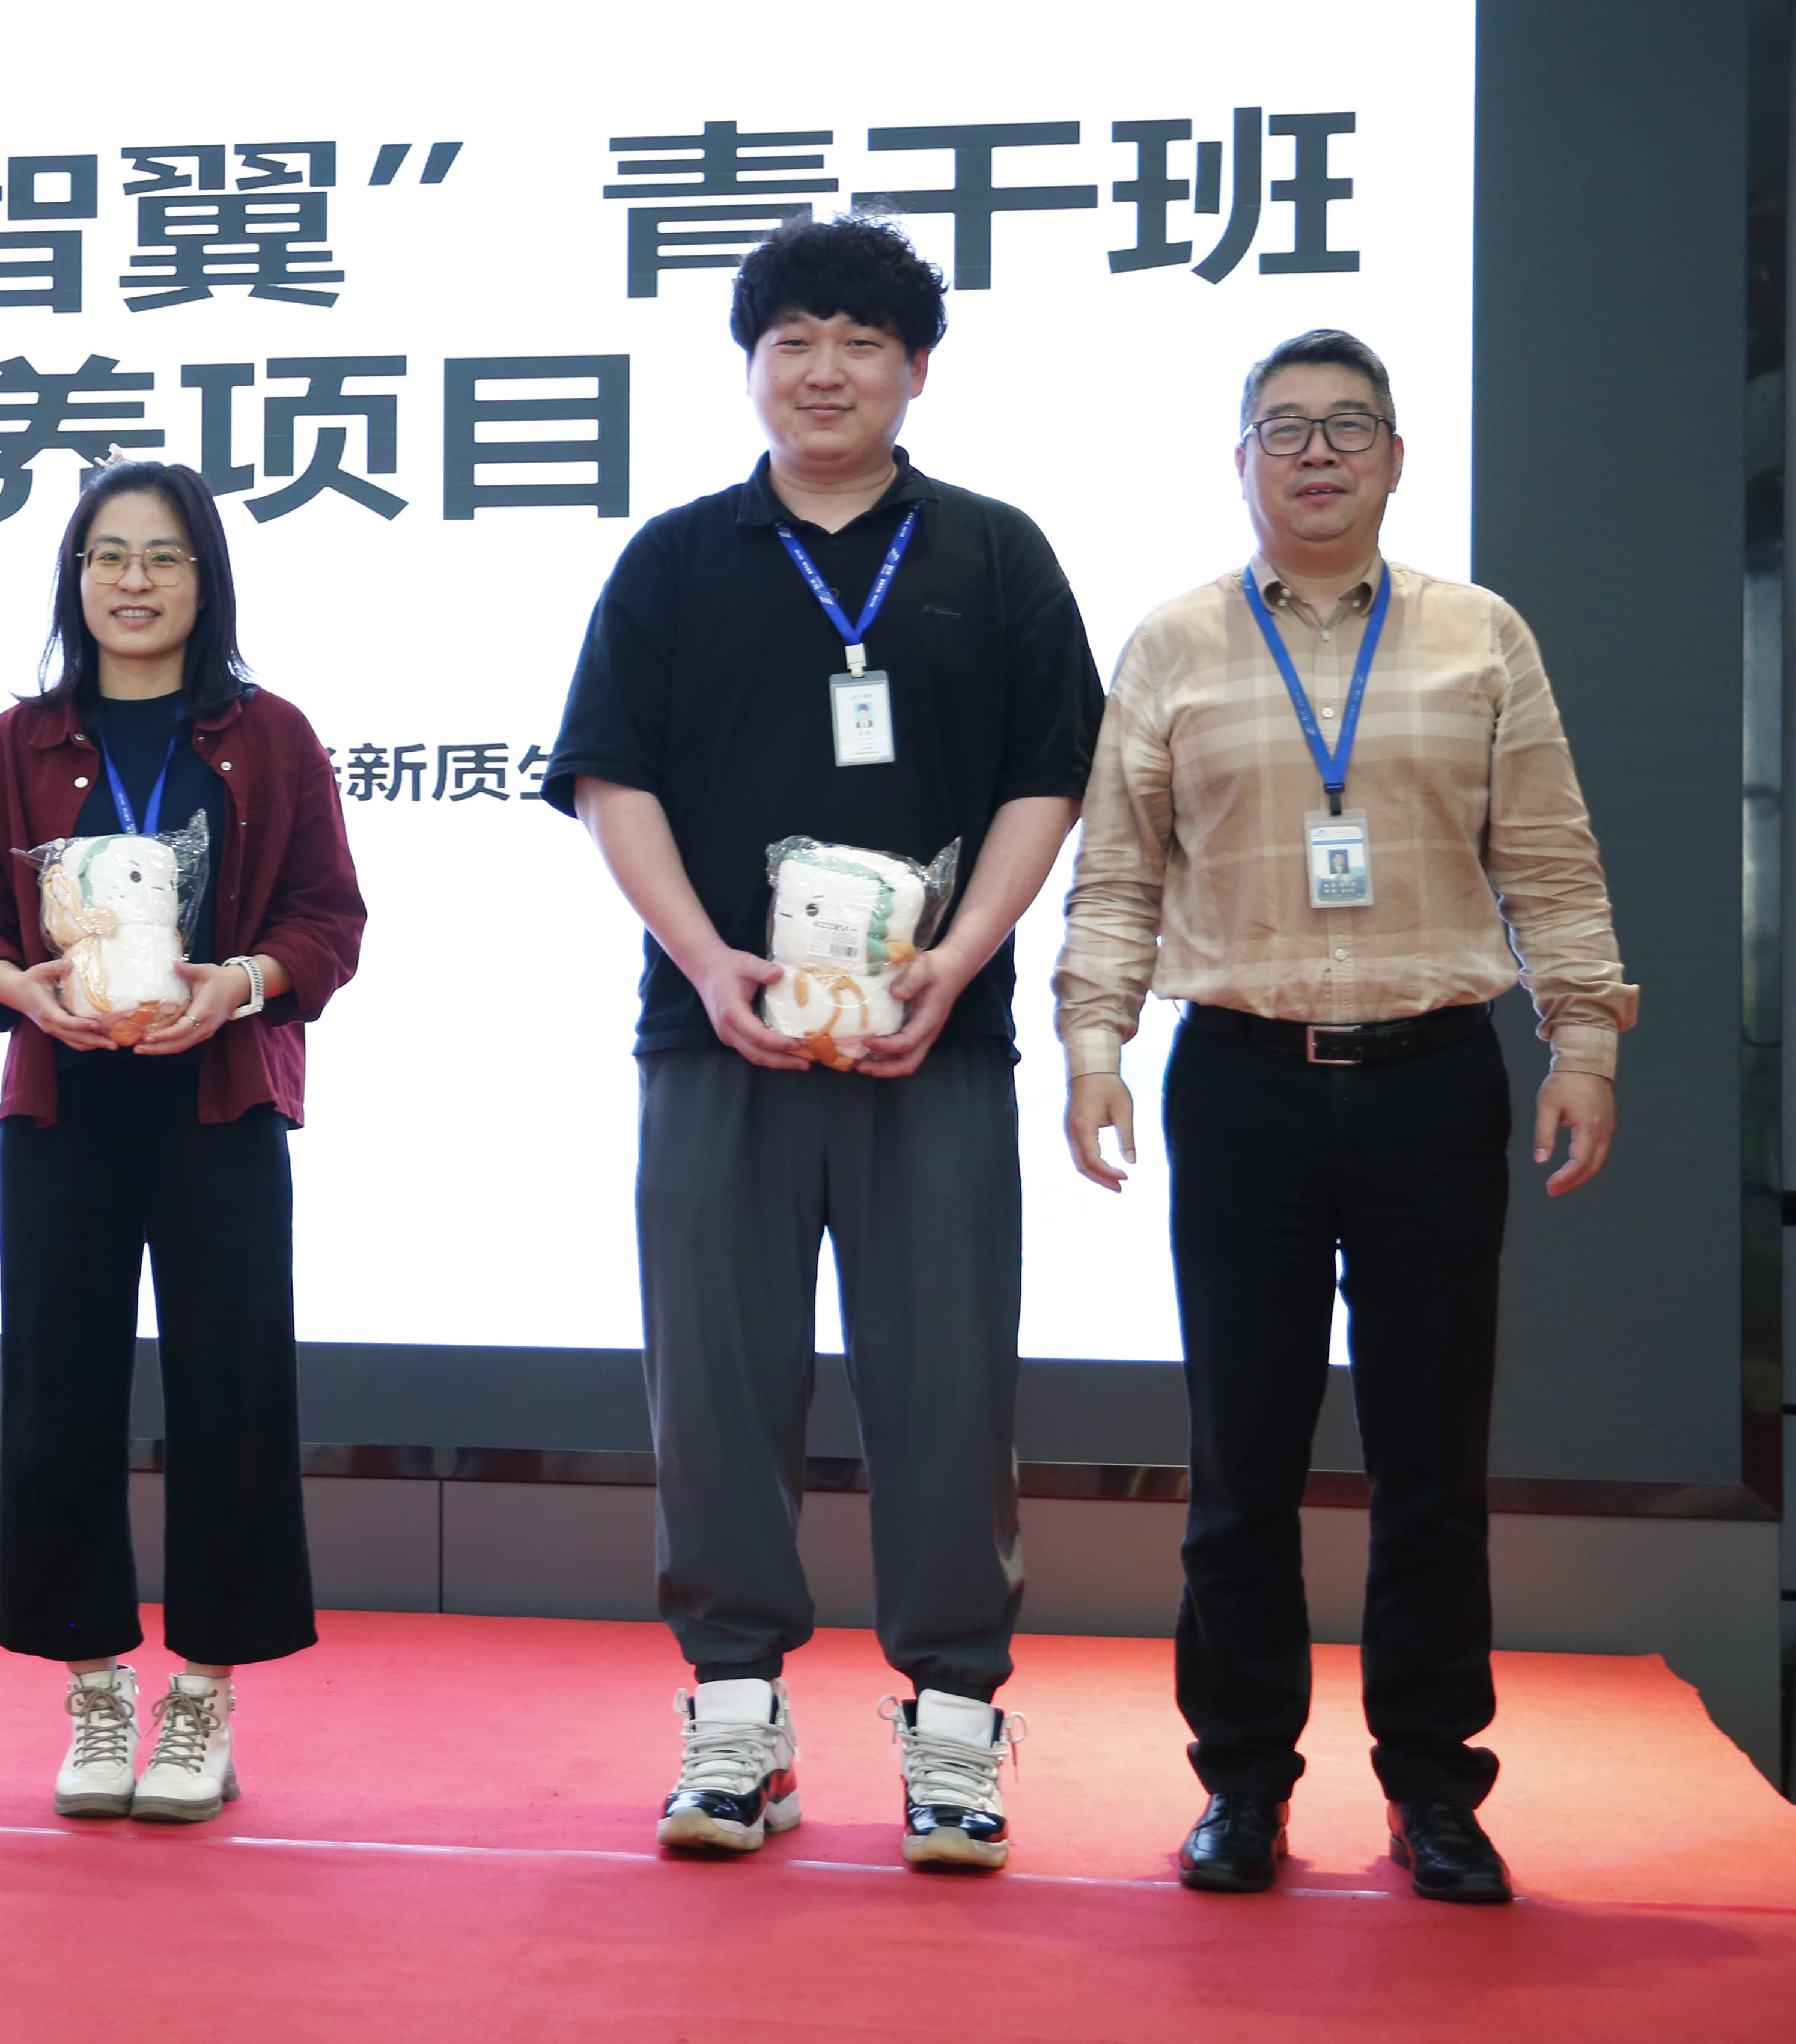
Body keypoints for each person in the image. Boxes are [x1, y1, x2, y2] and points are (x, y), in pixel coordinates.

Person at [543, 216, 1104, 1871]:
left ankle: (955, 1722)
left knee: (950, 1381)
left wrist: (958, 960)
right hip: (715, 1040)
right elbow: (611, 778)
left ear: (917, 368)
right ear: (752, 364)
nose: (825, 370)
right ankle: (737, 1711)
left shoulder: (995, 553)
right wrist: (704, 959)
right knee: (716, 1384)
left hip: (939, 1046)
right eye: (792, 339)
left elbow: (1048, 777)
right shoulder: (676, 560)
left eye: (861, 340)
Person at [1056, 330, 1631, 1905]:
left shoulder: (1479, 636)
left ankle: (1436, 1791)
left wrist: (1584, 1038)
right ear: (1240, 461)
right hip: (1241, 1081)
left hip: (1435, 1078)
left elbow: (1551, 856)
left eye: (1349, 427)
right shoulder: (1175, 642)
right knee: (1239, 1459)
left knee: (1432, 1462)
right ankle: (1242, 1786)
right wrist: (1096, 1040)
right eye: (1286, 428)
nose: (1317, 453)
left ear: (1395, 458)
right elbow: (1117, 869)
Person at [0, 459, 365, 1824]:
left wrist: (240, 985)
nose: (133, 581)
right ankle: (96, 1689)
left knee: (233, 1393)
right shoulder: (13, 746)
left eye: (163, 556)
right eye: (108, 555)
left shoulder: (270, 737)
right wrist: (18, 986)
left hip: (219, 1098)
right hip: (63, 1107)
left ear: (204, 577)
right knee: (61, 1395)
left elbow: (328, 920)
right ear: (75, 577)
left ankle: (206, 1698)